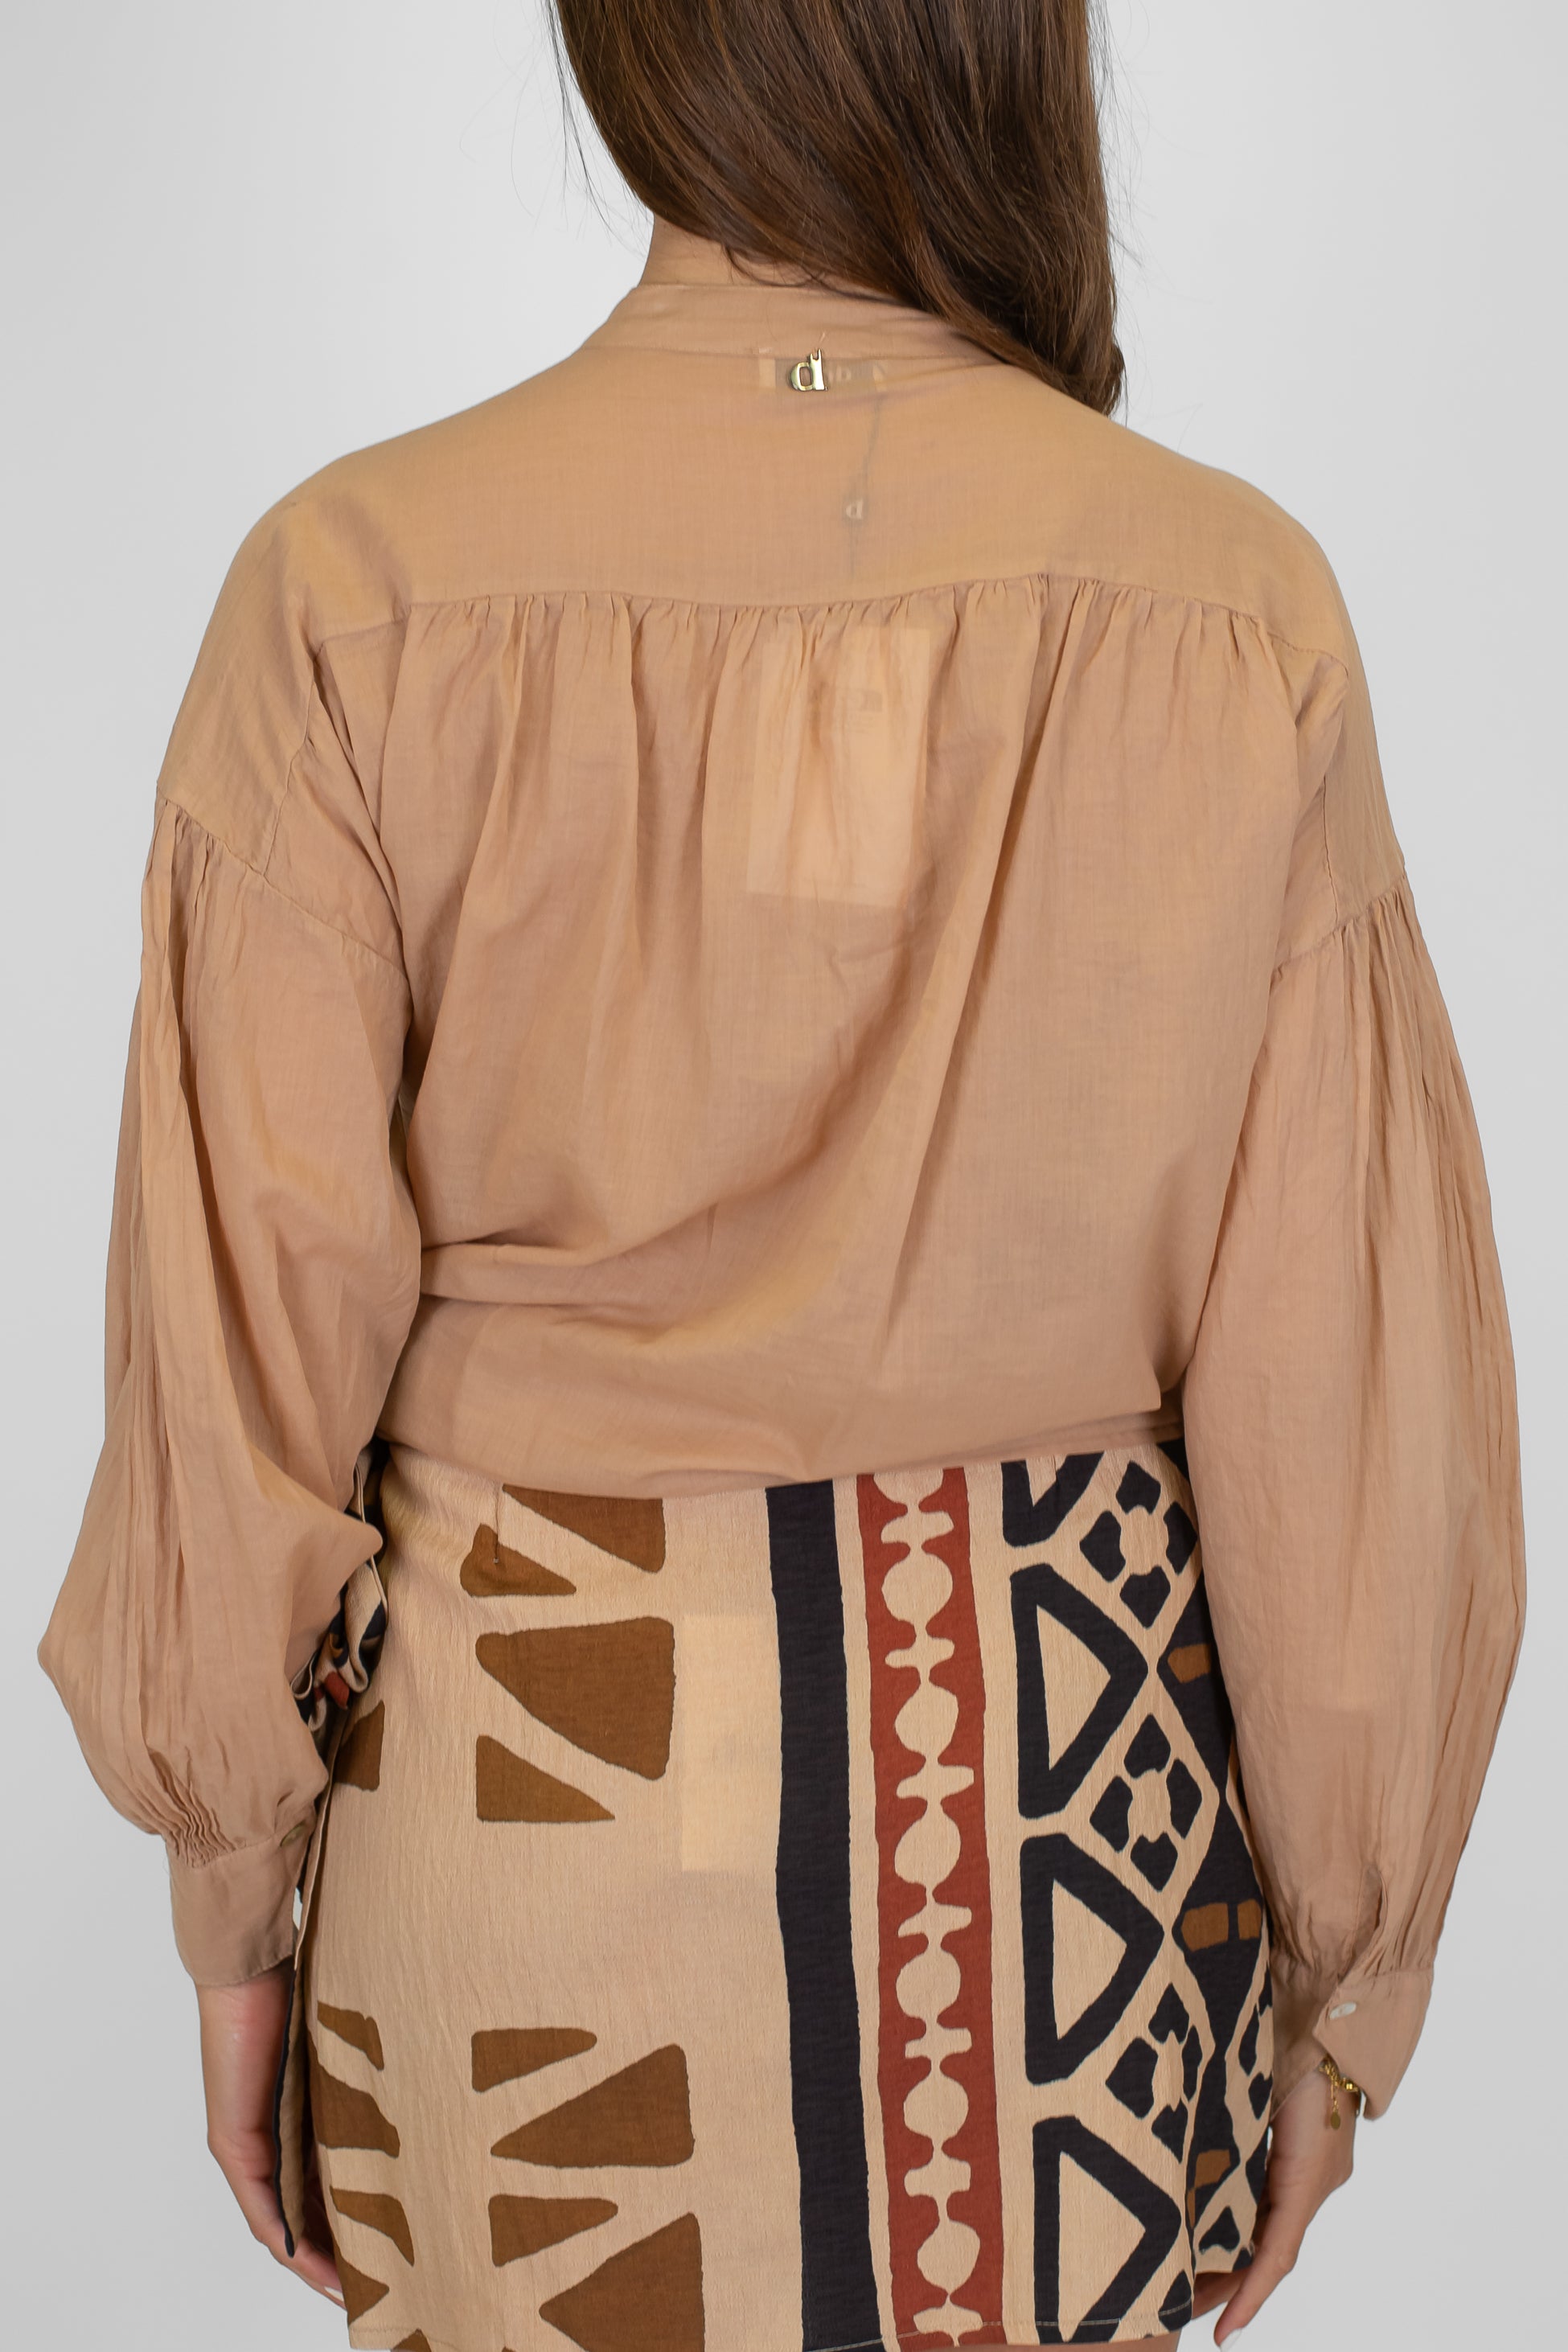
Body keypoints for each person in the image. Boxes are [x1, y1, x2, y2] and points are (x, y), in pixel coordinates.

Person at [39, 3, 1525, 2347]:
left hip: (507, 1888)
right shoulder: (1236, 612)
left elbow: (242, 1371)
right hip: (1058, 1892)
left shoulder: (347, 594)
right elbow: (1341, 1415)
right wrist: (1353, 1984)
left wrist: (237, 1906)